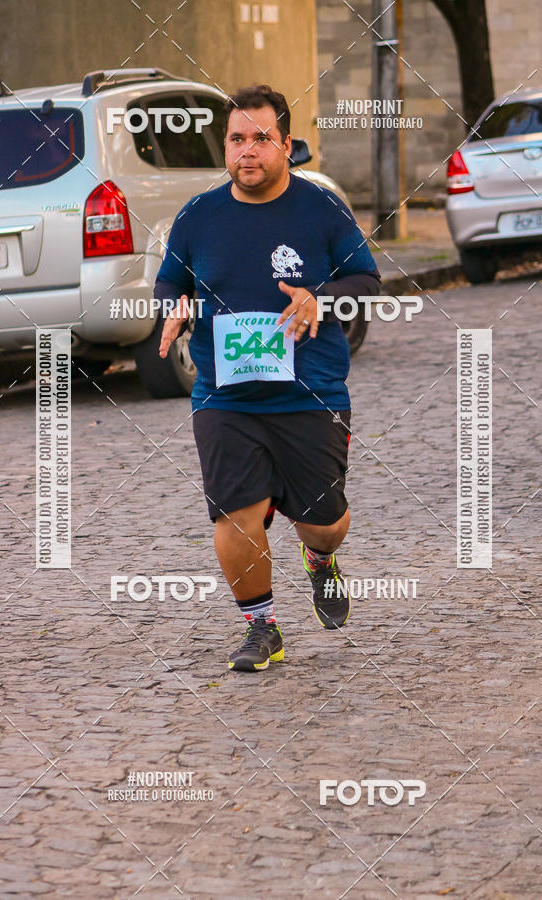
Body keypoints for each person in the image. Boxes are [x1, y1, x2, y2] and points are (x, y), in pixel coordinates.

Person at [155, 84, 380, 672]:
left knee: (322, 523)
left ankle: (321, 561)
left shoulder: (320, 209)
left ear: (286, 145)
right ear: (224, 147)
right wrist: (175, 307)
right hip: (224, 395)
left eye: (261, 139)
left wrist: (320, 297)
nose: (247, 151)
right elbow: (169, 281)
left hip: (311, 392)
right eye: (236, 139)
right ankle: (262, 627)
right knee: (234, 512)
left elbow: (366, 281)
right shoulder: (198, 217)